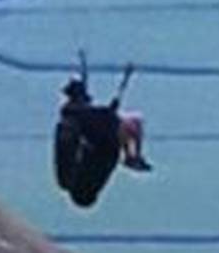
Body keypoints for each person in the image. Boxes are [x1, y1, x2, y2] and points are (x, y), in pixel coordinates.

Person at [53, 53, 152, 209]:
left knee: (132, 124)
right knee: (134, 124)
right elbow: (102, 118)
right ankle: (132, 157)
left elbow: (101, 118)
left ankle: (132, 157)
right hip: (102, 145)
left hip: (102, 144)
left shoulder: (72, 114)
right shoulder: (77, 114)